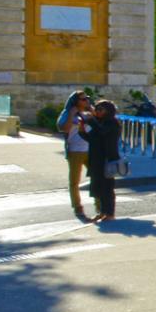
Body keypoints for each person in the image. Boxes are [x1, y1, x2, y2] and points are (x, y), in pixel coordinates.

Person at [81, 99, 122, 223]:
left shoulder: (112, 123)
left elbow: (102, 132)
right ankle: (102, 212)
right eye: (96, 109)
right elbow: (92, 139)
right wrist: (81, 130)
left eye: (100, 109)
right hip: (96, 159)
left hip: (107, 159)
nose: (97, 111)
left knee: (107, 188)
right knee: (98, 187)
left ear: (108, 111)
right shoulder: (100, 122)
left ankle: (110, 213)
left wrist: (91, 120)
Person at [60, 91, 92, 220]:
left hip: (91, 150)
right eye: (83, 99)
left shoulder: (90, 112)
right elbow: (63, 128)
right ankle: (77, 207)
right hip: (75, 151)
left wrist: (92, 112)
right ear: (75, 101)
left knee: (97, 178)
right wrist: (71, 114)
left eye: (87, 98)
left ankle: (100, 207)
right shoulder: (68, 113)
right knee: (74, 181)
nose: (86, 101)